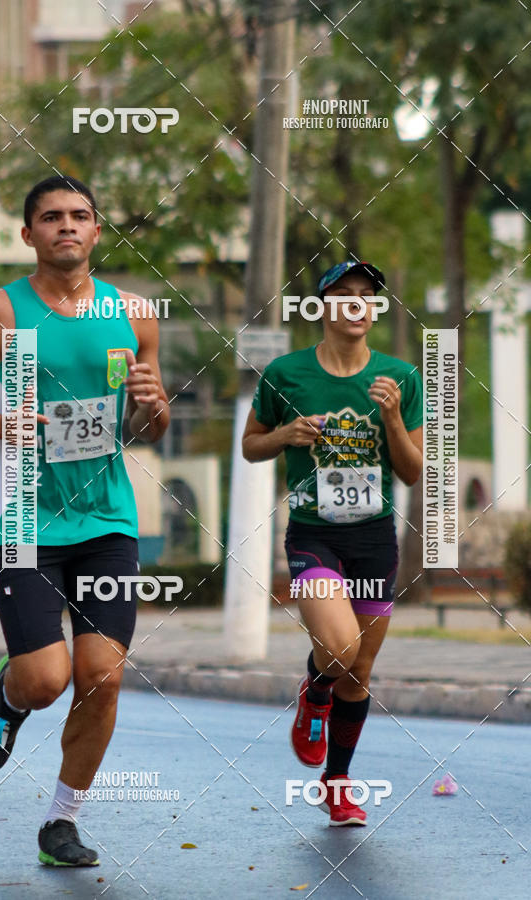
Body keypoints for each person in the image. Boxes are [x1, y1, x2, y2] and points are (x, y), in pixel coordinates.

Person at [0, 175, 169, 864]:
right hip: (25, 521)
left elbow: (147, 428)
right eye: (50, 217)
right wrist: (5, 424)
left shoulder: (134, 314)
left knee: (102, 676)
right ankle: (7, 699)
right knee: (46, 680)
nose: (66, 226)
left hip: (106, 522)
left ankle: (61, 822)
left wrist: (155, 405)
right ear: (28, 234)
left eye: (79, 216)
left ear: (98, 230)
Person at [242, 260, 423, 826]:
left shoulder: (401, 376)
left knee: (361, 672)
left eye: (366, 296)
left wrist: (392, 418)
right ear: (320, 307)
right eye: (342, 295)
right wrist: (284, 435)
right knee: (340, 652)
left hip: (374, 536)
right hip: (314, 533)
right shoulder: (286, 373)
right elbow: (250, 447)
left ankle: (337, 784)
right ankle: (315, 690)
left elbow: (415, 472)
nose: (355, 304)